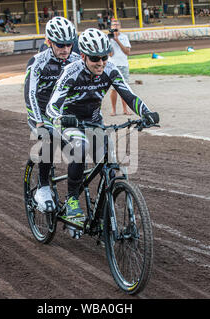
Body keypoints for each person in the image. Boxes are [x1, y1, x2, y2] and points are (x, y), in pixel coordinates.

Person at [46, 28, 159, 218]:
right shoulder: (70, 72)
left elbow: (129, 96)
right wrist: (59, 118)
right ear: (83, 56)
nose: (100, 63)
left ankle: (104, 210)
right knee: (81, 147)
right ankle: (72, 198)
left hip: (95, 122)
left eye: (104, 57)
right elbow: (51, 106)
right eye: (95, 58)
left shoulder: (110, 69)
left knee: (111, 166)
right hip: (71, 122)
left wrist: (146, 113)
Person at [25, 17, 81, 213]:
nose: (66, 49)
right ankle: (43, 187)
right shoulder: (38, 62)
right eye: (60, 45)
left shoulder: (76, 60)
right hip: (39, 112)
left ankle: (72, 203)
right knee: (49, 138)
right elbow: (30, 93)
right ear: (49, 41)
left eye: (69, 44)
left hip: (61, 113)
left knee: (78, 149)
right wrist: (39, 123)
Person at [108, 20, 132, 116]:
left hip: (123, 65)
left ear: (120, 26)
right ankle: (113, 110)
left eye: (117, 24)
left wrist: (117, 40)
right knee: (113, 89)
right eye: (114, 25)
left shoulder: (124, 37)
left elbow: (127, 52)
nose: (115, 26)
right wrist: (111, 40)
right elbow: (110, 54)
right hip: (113, 65)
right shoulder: (108, 38)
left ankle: (125, 109)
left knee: (124, 88)